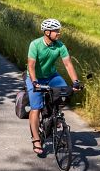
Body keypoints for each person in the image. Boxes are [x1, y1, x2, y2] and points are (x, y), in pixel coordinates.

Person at [26, 18, 80, 155]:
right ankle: (36, 139)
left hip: (52, 76)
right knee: (36, 108)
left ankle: (54, 117)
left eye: (58, 30)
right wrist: (34, 82)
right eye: (56, 31)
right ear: (47, 32)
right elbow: (31, 66)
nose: (58, 33)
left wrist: (75, 82)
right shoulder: (35, 44)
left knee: (64, 92)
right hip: (35, 78)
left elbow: (68, 64)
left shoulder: (60, 46)